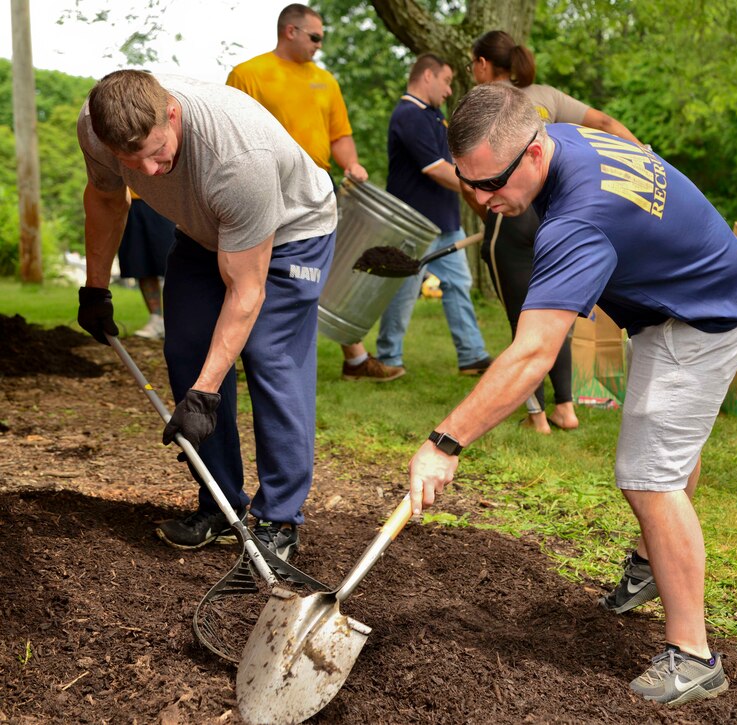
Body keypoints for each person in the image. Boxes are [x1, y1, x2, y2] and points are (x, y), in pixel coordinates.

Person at [408, 83, 737, 705]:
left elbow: (531, 355)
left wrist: (445, 443)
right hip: (697, 292)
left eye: (491, 184)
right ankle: (654, 561)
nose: (482, 200)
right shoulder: (563, 142)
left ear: (536, 152)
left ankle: (694, 657)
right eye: (470, 185)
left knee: (649, 475)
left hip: (706, 316)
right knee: (665, 446)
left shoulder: (578, 220)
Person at [76, 69, 338, 562]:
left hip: (291, 230)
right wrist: (96, 288)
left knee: (268, 354)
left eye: (157, 154)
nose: (150, 173)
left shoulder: (237, 157)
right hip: (203, 231)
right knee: (186, 350)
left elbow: (246, 290)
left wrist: (204, 394)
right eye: (134, 163)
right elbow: (108, 200)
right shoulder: (98, 128)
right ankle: (221, 505)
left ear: (172, 114)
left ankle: (280, 519)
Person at [468, 29, 642, 434]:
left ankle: (536, 416)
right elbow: (606, 123)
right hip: (553, 213)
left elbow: (474, 178)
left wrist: (487, 208)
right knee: (553, 311)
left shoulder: (484, 105)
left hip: (511, 220)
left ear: (482, 64)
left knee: (522, 320)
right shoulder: (546, 96)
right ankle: (565, 408)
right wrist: (644, 159)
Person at [226, 3, 402, 382]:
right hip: (266, 185)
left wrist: (351, 165)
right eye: (315, 37)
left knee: (320, 270)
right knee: (256, 269)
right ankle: (243, 350)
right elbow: (232, 134)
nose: (320, 45)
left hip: (317, 187)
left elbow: (339, 134)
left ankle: (354, 359)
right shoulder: (248, 74)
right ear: (290, 31)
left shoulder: (326, 81)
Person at [361, 53, 492, 380]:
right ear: (428, 76)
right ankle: (388, 357)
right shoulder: (409, 114)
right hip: (414, 226)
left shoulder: (434, 117)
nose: (449, 91)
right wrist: (476, 191)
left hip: (445, 223)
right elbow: (435, 169)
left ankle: (472, 356)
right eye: (446, 81)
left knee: (459, 285)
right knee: (403, 293)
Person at [119, 188, 175, 340]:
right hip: (128, 201)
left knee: (175, 263)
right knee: (141, 264)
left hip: (163, 198)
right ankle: (157, 321)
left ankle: (183, 321)